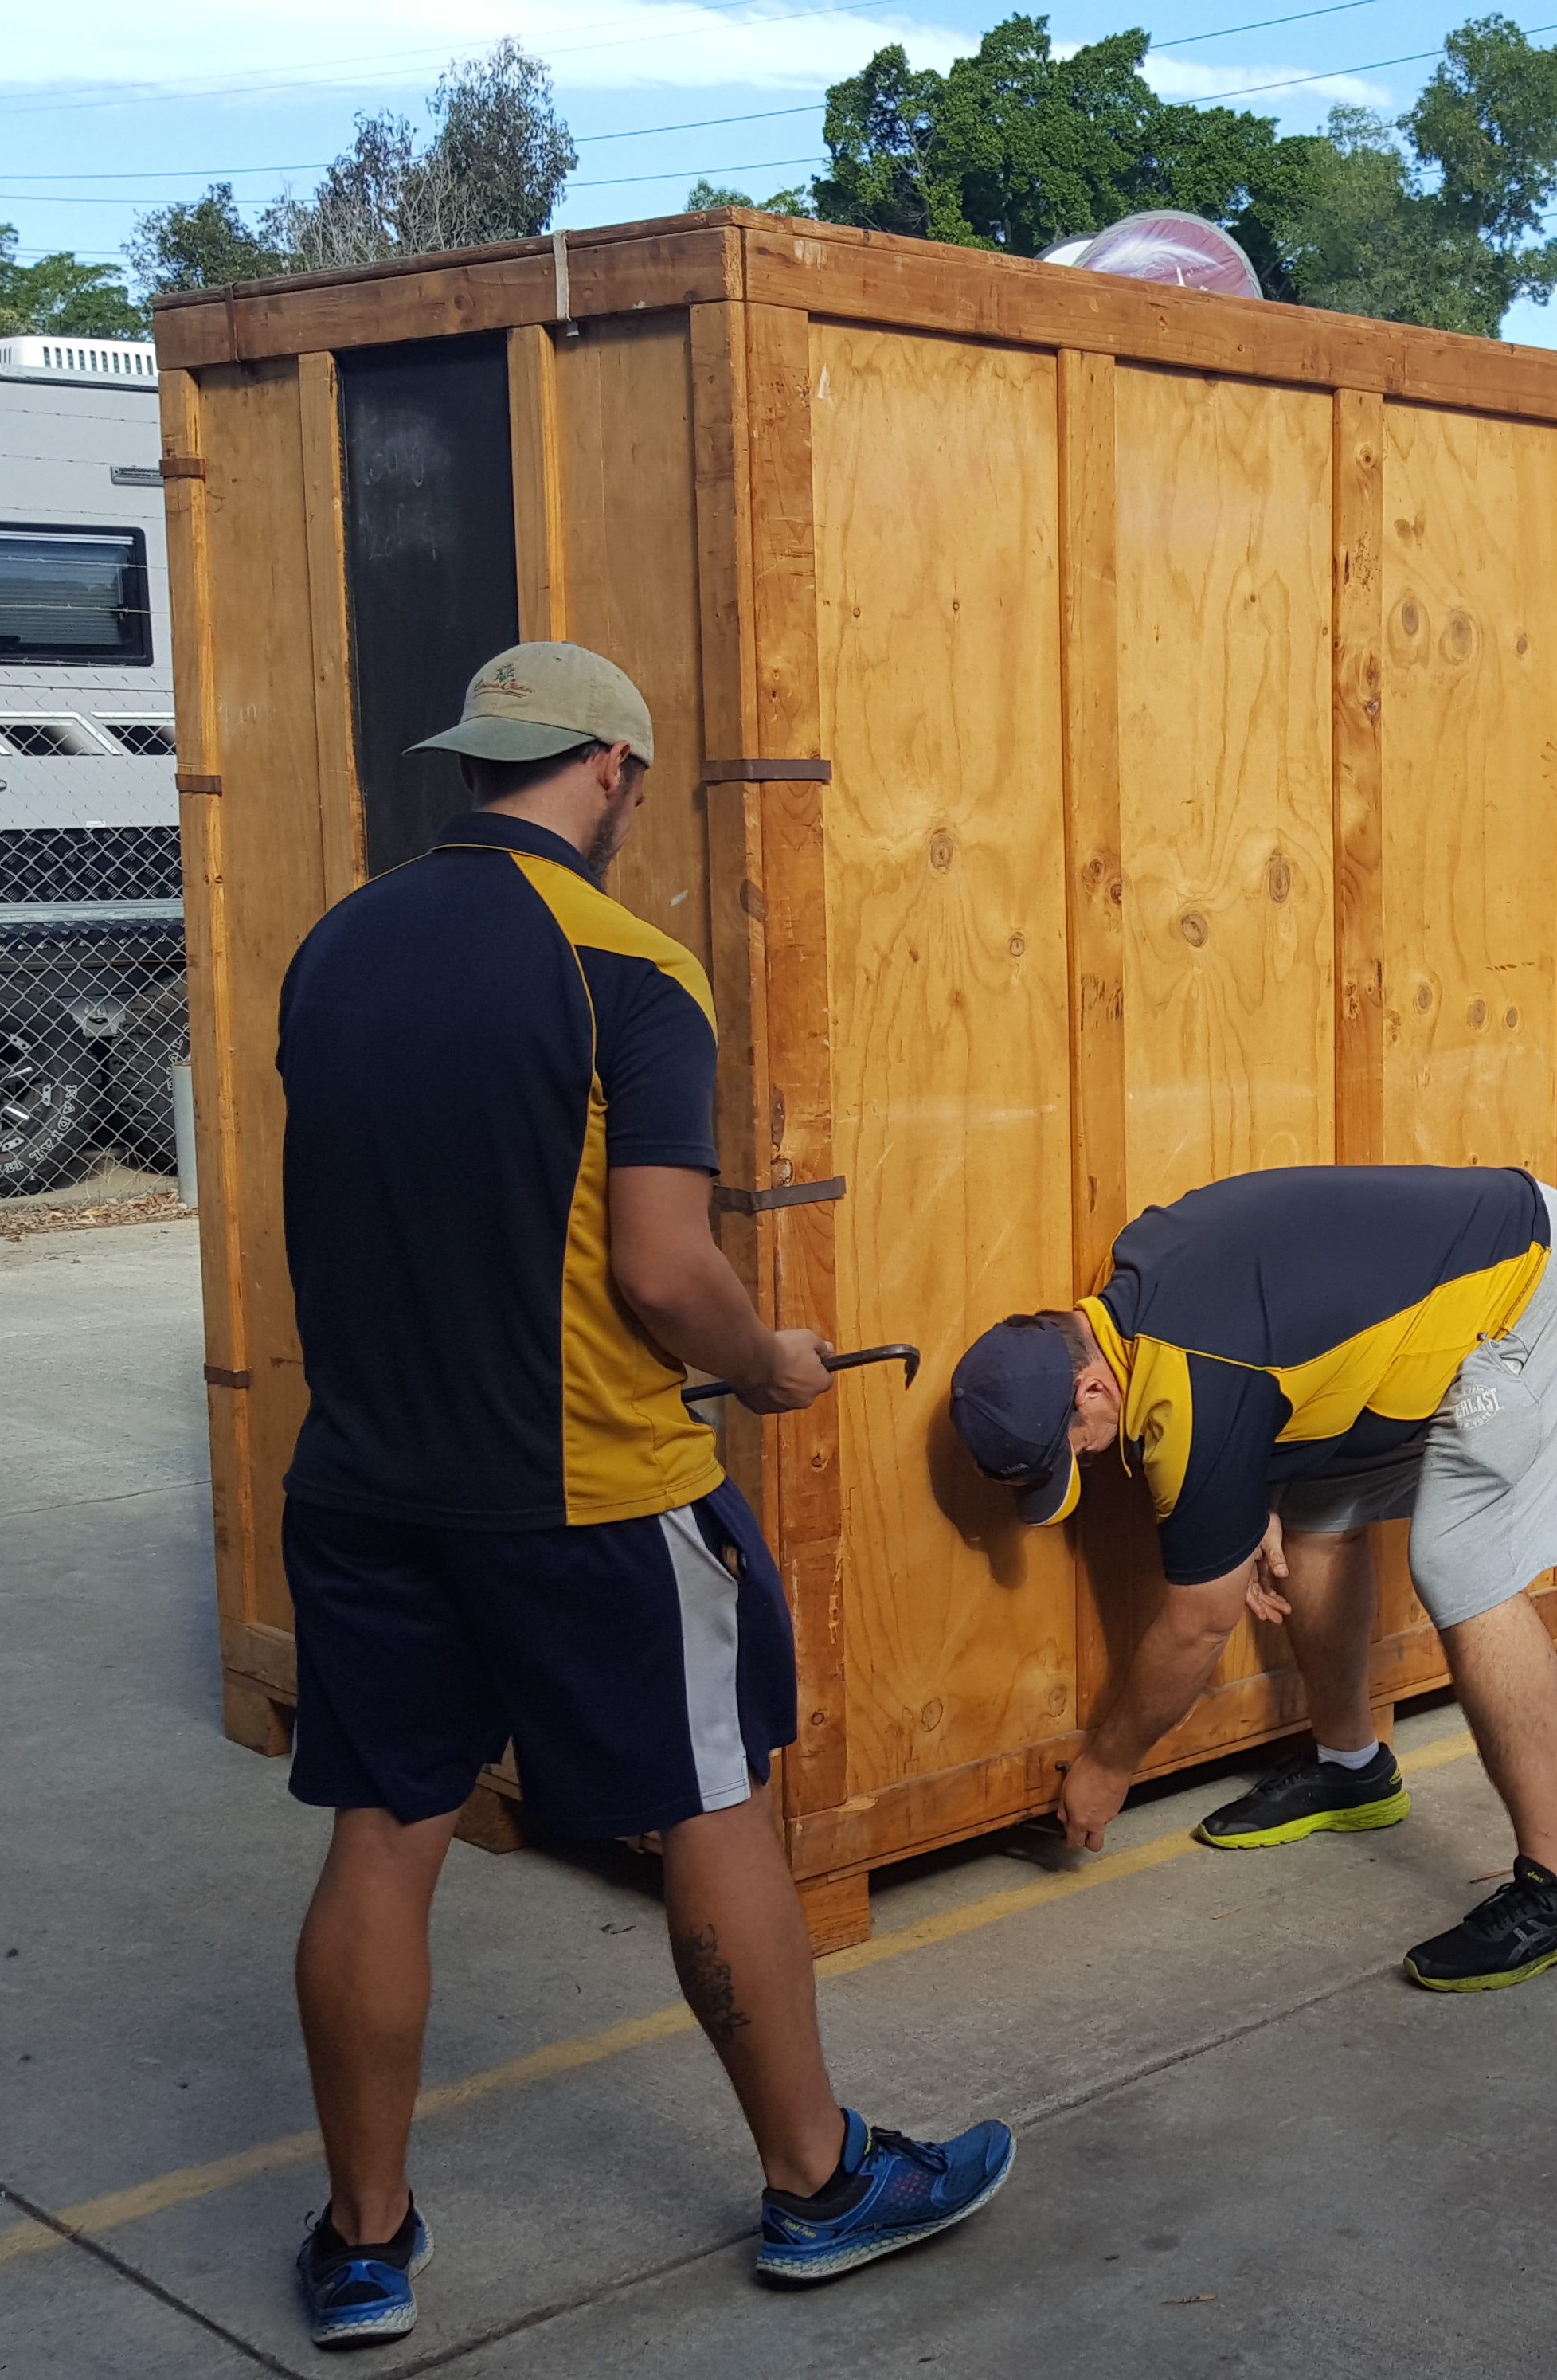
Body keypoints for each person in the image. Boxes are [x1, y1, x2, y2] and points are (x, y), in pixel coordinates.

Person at [272, 643, 1011, 2349]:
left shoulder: (339, 946)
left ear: (479, 767)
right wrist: (762, 1362)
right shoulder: (628, 968)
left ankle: (364, 2243)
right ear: (610, 767)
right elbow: (668, 1272)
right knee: (711, 1807)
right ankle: (822, 2186)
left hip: (367, 1485)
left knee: (382, 1837)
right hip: (590, 1490)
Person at [947, 1165, 1557, 1993]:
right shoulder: (1132, 1296)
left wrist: (1107, 1765)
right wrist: (1253, 1482)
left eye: (1073, 1442)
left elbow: (1199, 1621)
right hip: (1450, 1276)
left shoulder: (1187, 1380)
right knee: (1314, 1518)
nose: (1086, 1458)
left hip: (1531, 1278)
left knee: (1460, 1564)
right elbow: (1281, 1336)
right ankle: (1352, 1769)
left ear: (1091, 1385)